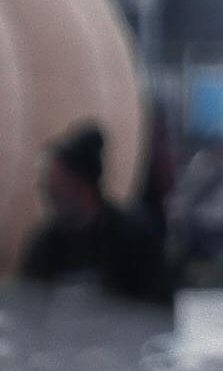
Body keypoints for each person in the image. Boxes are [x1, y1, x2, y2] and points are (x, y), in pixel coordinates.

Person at [18, 117, 171, 307]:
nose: (48, 197)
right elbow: (26, 313)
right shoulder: (45, 246)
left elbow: (159, 313)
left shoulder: (135, 240)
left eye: (55, 189)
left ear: (81, 186)